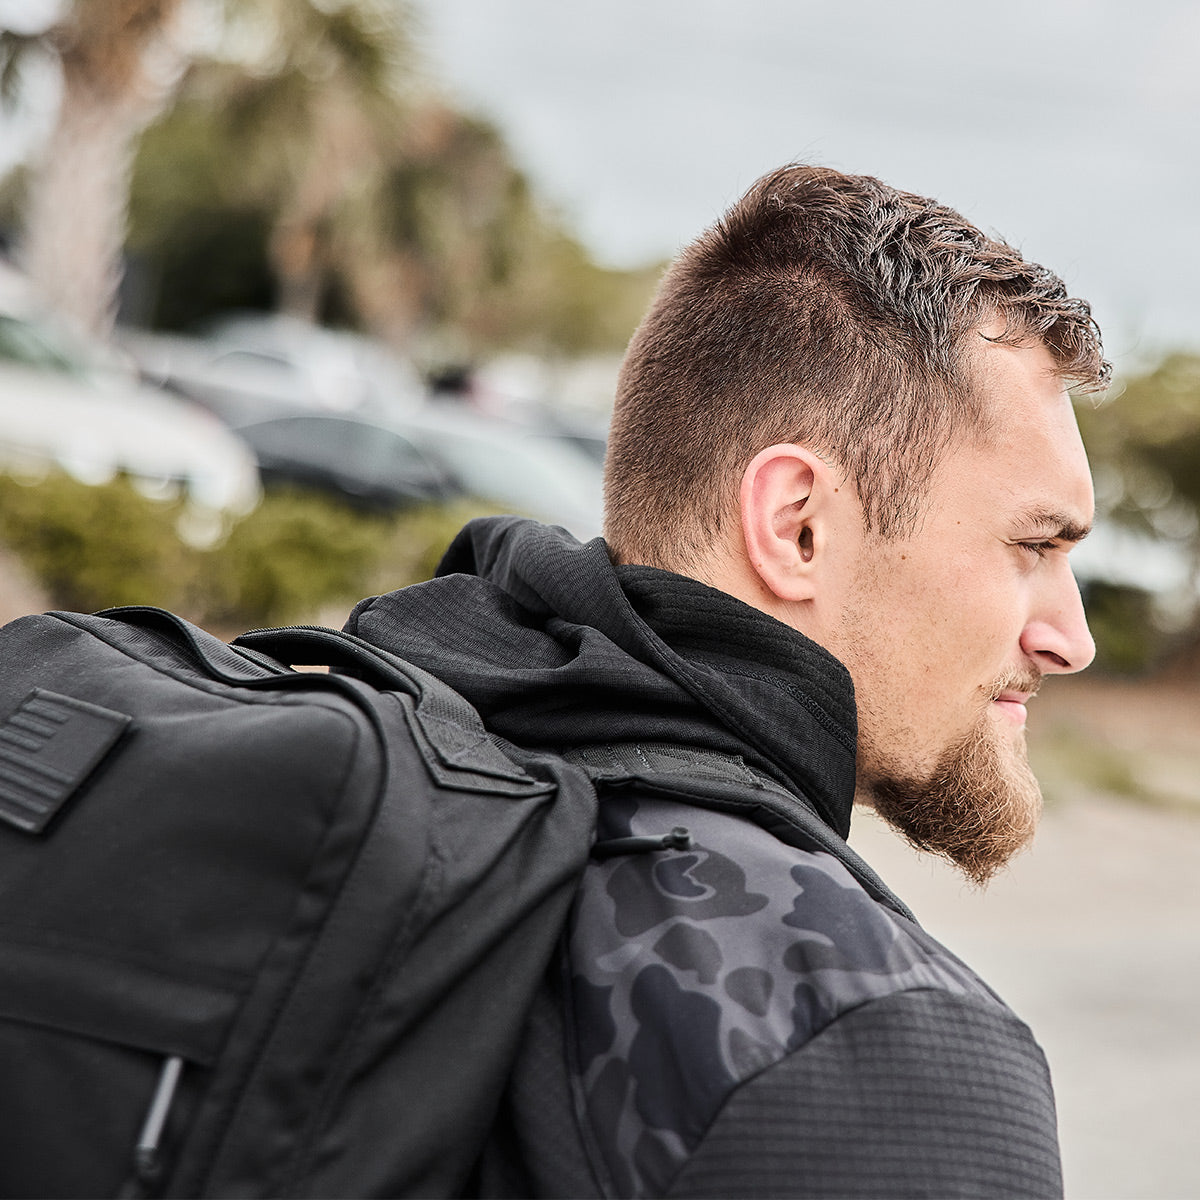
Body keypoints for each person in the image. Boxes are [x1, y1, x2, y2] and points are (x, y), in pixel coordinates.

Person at [346, 163, 1109, 1198]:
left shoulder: (386, 738)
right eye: (1034, 545)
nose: (1072, 639)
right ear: (796, 525)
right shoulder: (877, 1046)